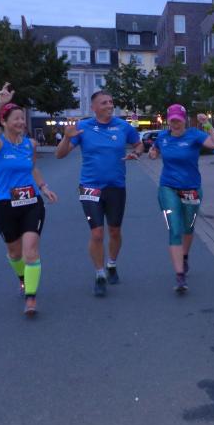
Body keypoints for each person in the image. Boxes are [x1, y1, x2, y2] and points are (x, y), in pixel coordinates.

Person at [55, 90, 143, 297]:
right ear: (93, 107)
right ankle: (99, 274)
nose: (109, 105)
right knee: (96, 233)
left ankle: (111, 263)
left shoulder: (123, 126)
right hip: (89, 186)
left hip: (115, 186)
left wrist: (136, 153)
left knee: (114, 231)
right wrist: (66, 138)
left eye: (111, 102)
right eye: (104, 103)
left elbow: (139, 144)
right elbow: (60, 154)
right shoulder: (82, 127)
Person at [0, 83, 58, 316]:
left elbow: (32, 168)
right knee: (15, 254)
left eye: (22, 119)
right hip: (5, 205)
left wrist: (43, 187)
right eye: (16, 119)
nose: (21, 122)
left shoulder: (30, 144)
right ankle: (23, 278)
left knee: (30, 252)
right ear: (4, 122)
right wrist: (0, 103)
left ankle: (31, 298)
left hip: (31, 203)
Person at [148, 104, 214, 292]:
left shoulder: (194, 135)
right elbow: (154, 150)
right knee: (175, 229)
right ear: (168, 120)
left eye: (178, 120)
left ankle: (184, 257)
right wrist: (152, 153)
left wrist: (207, 124)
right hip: (168, 188)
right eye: (172, 120)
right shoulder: (163, 137)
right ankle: (180, 275)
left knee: (188, 228)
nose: (175, 123)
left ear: (184, 120)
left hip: (191, 189)